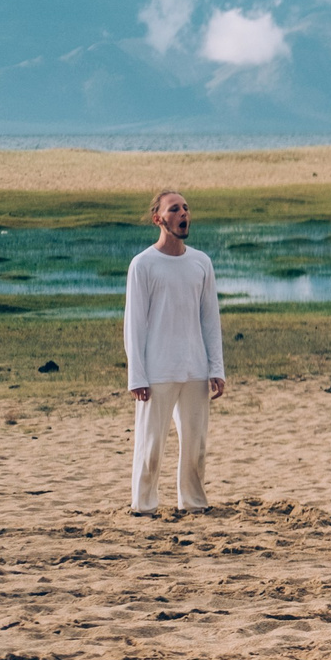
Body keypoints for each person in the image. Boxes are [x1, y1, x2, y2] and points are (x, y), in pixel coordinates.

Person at [125, 191, 225, 513]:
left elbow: (210, 319)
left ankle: (194, 504)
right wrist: (136, 375)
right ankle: (143, 506)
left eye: (185, 207)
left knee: (195, 446)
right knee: (151, 445)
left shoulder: (201, 262)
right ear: (158, 219)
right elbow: (134, 324)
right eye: (174, 209)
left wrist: (216, 368)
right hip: (157, 371)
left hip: (195, 370)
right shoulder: (142, 265)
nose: (184, 213)